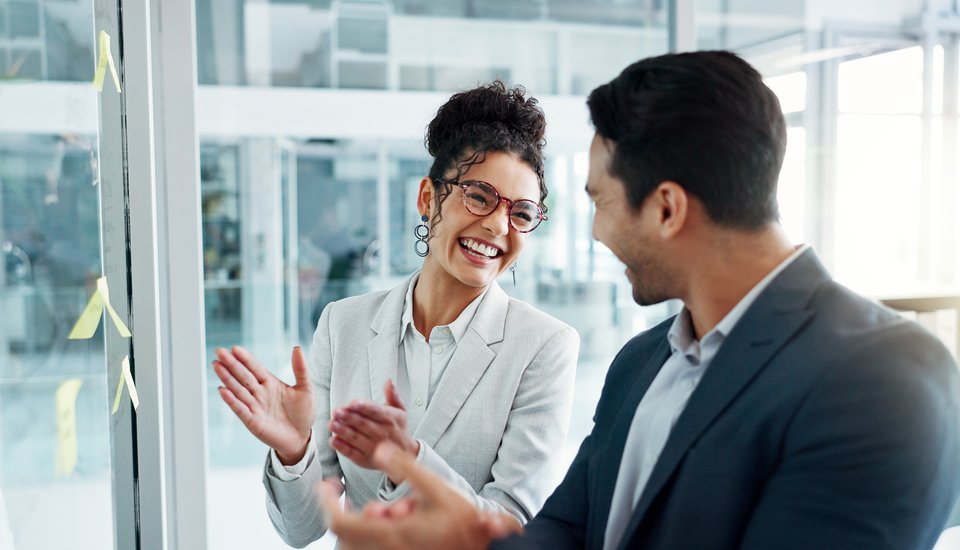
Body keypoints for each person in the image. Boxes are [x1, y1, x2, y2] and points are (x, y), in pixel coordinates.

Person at [321, 50, 960, 550]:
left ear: (666, 207)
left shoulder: (886, 377)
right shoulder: (641, 364)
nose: (597, 233)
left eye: (600, 202)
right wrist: (463, 532)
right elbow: (563, 536)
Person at [211, 81, 579, 548]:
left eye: (522, 213)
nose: (498, 225)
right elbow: (303, 530)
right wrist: (293, 450)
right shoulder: (342, 325)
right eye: (480, 196)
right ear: (428, 198)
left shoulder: (544, 346)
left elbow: (510, 527)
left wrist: (409, 460)